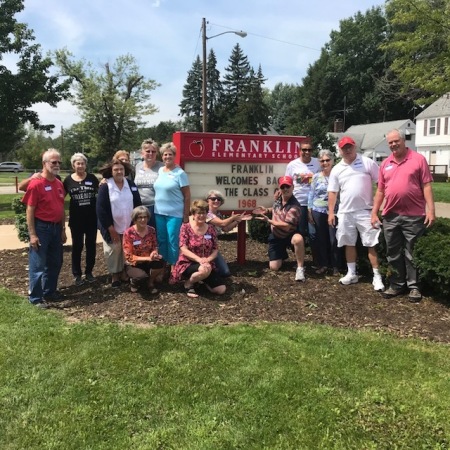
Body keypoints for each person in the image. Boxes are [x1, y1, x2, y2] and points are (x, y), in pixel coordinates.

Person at [371, 129, 435, 302]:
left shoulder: (418, 159)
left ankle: (413, 287)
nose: (393, 145)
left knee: (411, 253)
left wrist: (431, 210)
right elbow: (380, 190)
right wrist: (374, 212)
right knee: (393, 253)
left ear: (403, 140)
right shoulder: (385, 163)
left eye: (395, 141)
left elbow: (427, 186)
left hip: (414, 215)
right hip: (391, 215)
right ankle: (397, 284)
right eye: (390, 142)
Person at [328, 136, 385, 291]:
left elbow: (381, 185)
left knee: (371, 244)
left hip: (366, 211)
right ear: (339, 151)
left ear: (355, 147)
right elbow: (332, 192)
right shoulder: (337, 169)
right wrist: (331, 212)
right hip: (345, 212)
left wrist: (377, 209)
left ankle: (377, 276)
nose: (347, 150)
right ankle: (352, 273)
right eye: (344, 148)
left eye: (349, 147)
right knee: (349, 242)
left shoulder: (367, 162)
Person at [22, 148, 66, 308]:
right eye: (53, 162)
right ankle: (35, 298)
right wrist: (32, 234)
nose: (57, 165)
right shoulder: (36, 184)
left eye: (59, 162)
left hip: (56, 229)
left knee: (55, 262)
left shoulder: (59, 184)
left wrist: (62, 229)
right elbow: (30, 209)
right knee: (38, 264)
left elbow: (61, 208)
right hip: (42, 229)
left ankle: (50, 292)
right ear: (44, 164)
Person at [97, 158, 142, 288]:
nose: (119, 171)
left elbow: (138, 204)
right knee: (114, 250)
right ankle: (114, 275)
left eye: (121, 169)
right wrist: (110, 229)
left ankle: (123, 272)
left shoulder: (131, 184)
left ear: (125, 170)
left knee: (125, 249)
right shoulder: (106, 186)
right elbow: (101, 209)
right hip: (112, 226)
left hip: (128, 224)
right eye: (116, 169)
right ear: (111, 171)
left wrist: (136, 224)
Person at [255, 176, 306, 282]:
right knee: (274, 267)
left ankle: (300, 268)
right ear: (280, 188)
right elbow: (275, 209)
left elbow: (286, 226)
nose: (285, 189)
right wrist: (267, 210)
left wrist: (268, 221)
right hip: (277, 236)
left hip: (289, 234)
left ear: (293, 187)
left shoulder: (295, 206)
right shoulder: (278, 199)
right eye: (283, 187)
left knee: (298, 239)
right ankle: (282, 254)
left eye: (288, 186)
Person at [171, 200, 226, 298]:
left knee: (221, 289)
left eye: (204, 213)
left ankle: (201, 280)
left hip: (206, 263)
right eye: (199, 213)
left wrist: (207, 260)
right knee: (204, 270)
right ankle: (188, 284)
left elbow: (215, 249)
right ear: (193, 214)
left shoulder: (210, 229)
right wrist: (199, 260)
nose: (201, 216)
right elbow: (183, 248)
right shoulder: (186, 228)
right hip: (188, 262)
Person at [63, 152, 99, 285]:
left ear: (86, 165)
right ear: (73, 165)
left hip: (91, 219)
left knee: (91, 246)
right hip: (76, 220)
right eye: (78, 163)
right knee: (77, 246)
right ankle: (77, 274)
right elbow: (60, 196)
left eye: (83, 163)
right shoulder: (68, 180)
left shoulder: (92, 178)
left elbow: (100, 191)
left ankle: (89, 272)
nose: (80, 165)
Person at [307, 149, 344, 275]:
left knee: (334, 239)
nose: (325, 163)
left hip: (333, 212)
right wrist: (309, 210)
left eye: (327, 160)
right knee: (321, 239)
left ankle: (336, 266)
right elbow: (311, 194)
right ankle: (323, 265)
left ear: (332, 161)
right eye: (322, 161)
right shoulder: (316, 176)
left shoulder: (337, 176)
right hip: (318, 211)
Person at [154, 142, 191, 267]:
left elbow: (187, 196)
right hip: (159, 212)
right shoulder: (160, 170)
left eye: (170, 154)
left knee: (173, 241)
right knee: (162, 240)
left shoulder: (180, 174)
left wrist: (186, 216)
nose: (167, 157)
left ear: (174, 156)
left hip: (174, 214)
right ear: (162, 156)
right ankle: (162, 267)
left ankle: (174, 268)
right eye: (165, 154)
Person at [285, 141, 320, 263]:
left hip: (314, 205)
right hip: (298, 203)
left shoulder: (317, 163)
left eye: (309, 150)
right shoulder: (292, 165)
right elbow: (287, 183)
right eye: (304, 150)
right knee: (299, 234)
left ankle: (317, 262)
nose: (307, 152)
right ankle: (299, 262)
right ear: (299, 151)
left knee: (313, 234)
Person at [205, 189, 252, 277]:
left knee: (225, 272)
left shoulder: (218, 214)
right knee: (210, 270)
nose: (216, 201)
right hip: (203, 247)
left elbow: (226, 228)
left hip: (213, 247)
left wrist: (238, 220)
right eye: (213, 199)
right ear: (207, 200)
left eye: (219, 199)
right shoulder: (206, 214)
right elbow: (222, 223)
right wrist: (232, 218)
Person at [122, 206, 164, 294]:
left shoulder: (151, 230)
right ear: (135, 219)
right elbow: (129, 256)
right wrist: (148, 258)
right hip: (134, 264)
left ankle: (150, 283)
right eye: (140, 217)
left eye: (145, 217)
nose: (143, 220)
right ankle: (133, 282)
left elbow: (155, 246)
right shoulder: (128, 233)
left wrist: (154, 253)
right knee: (141, 277)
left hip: (148, 261)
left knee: (161, 262)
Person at [133, 139, 163, 228]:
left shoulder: (161, 167)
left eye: (153, 151)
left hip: (155, 207)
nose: (150, 153)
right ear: (142, 153)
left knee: (153, 232)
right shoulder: (137, 166)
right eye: (148, 151)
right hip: (139, 206)